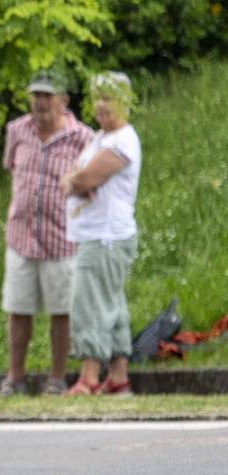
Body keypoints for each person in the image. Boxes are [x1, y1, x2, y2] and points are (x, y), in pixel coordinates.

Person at [0, 71, 93, 396]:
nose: (39, 103)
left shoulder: (83, 138)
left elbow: (91, 184)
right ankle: (15, 379)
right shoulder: (17, 131)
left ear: (63, 101)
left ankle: (56, 378)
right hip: (21, 236)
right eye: (35, 96)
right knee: (18, 310)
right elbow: (12, 171)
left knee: (61, 312)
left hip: (62, 238)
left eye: (46, 96)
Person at [61, 72, 140, 396]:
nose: (101, 106)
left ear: (125, 102)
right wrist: (75, 181)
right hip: (97, 235)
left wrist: (76, 181)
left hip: (105, 237)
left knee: (88, 304)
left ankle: (89, 379)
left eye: (109, 98)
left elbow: (82, 179)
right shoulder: (100, 138)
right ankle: (118, 378)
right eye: (98, 98)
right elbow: (72, 178)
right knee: (113, 303)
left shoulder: (122, 141)